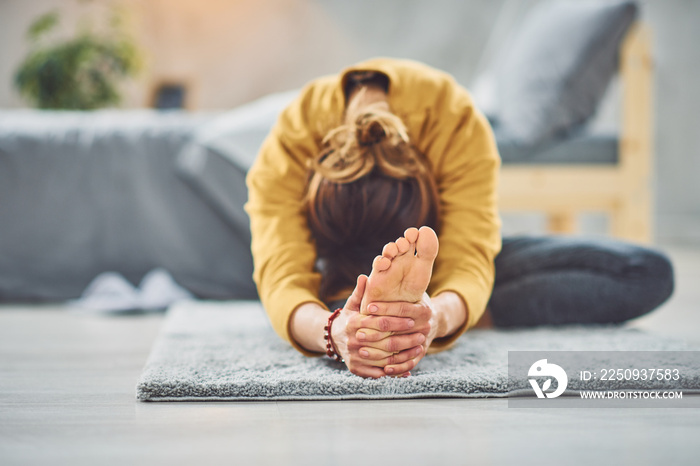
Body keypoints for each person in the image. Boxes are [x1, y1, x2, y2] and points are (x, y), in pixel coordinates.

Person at [244, 58, 674, 379]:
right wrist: (334, 330)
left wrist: (436, 316)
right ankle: (374, 305)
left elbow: (468, 255)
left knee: (645, 273)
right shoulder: (290, 139)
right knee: (310, 308)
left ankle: (434, 310)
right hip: (335, 281)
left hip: (445, 265)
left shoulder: (454, 117)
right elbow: (283, 278)